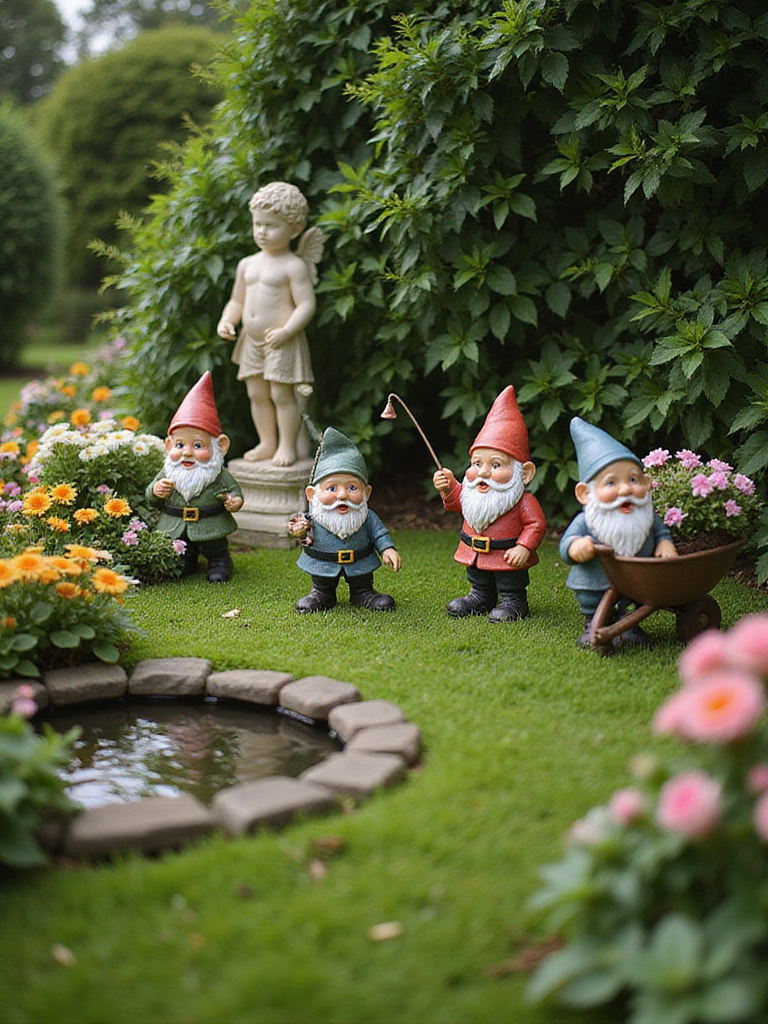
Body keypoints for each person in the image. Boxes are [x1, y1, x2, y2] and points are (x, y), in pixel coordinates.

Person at [216, 182, 324, 467]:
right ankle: (267, 442)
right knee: (256, 392)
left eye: (271, 226)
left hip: (282, 340)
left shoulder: (293, 266)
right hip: (251, 341)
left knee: (281, 394)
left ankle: (287, 445)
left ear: (294, 229)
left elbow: (306, 305)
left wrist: (287, 330)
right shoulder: (247, 264)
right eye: (258, 224)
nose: (262, 231)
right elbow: (237, 301)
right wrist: (228, 320)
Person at [560, 416, 678, 646]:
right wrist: (576, 546)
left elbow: (660, 533)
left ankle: (630, 625)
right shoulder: (587, 521)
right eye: (611, 483)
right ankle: (593, 623)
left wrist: (665, 543)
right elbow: (567, 544)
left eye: (633, 479)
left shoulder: (646, 517)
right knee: (593, 601)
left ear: (646, 483)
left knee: (634, 598)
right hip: (594, 581)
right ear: (585, 493)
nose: (625, 489)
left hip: (637, 580)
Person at [433, 386, 547, 622]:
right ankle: (480, 596)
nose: (482, 472)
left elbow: (536, 524)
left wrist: (524, 547)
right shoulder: (472, 493)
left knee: (509, 580)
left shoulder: (523, 501)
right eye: (476, 463)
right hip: (474, 551)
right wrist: (448, 487)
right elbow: (459, 503)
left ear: (524, 473)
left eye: (495, 465)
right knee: (478, 576)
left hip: (507, 554)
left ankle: (513, 600)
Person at [288, 427, 401, 612]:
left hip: (360, 562)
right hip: (322, 564)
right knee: (322, 584)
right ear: (312, 494)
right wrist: (299, 530)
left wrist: (387, 549)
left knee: (362, 582)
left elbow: (379, 534)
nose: (342, 495)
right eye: (331, 488)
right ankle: (322, 594)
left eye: (352, 488)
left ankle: (364, 593)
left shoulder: (366, 517)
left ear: (366, 493)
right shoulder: (314, 518)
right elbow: (296, 527)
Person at [147, 371, 244, 583]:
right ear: (168, 445)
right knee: (183, 548)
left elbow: (234, 491)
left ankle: (219, 562)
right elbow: (151, 494)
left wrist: (235, 501)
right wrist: (156, 490)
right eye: (180, 445)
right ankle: (186, 560)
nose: (187, 453)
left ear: (221, 447)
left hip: (212, 522)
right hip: (176, 523)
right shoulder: (169, 471)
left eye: (198, 445)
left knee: (215, 545)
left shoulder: (217, 474)